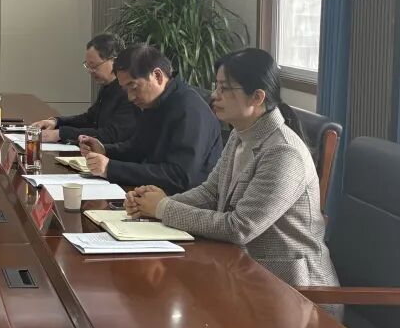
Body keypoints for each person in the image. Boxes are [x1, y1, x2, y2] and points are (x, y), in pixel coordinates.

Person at [125, 48, 338, 288]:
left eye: (224, 89)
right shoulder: (240, 134)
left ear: (257, 97)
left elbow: (239, 228)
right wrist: (153, 204)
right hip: (243, 270)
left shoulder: (284, 153)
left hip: (294, 289)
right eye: (216, 86)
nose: (214, 96)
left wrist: (163, 208)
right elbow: (210, 193)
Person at [81, 44, 222, 194]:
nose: (130, 97)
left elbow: (179, 177)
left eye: (133, 87)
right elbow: (137, 148)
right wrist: (104, 150)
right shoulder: (154, 102)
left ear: (157, 76)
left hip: (185, 201)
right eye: (126, 90)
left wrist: (110, 168)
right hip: (155, 193)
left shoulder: (190, 109)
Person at [33, 33, 138, 144]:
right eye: (88, 66)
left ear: (114, 61)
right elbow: (89, 119)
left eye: (94, 66)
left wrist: (61, 134)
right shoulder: (107, 87)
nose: (90, 71)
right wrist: (56, 122)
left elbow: (113, 134)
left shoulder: (130, 91)